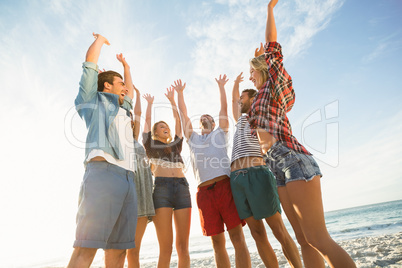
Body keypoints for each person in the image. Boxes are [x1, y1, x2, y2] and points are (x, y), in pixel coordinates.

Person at [247, 1, 356, 267]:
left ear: (262, 70)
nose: (249, 77)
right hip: (277, 167)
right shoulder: (259, 98)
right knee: (303, 239)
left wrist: (269, 10)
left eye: (251, 71)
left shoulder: (274, 86)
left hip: (292, 159)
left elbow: (273, 47)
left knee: (318, 237)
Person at [68, 33, 137, 268]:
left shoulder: (124, 109)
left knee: (119, 252)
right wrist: (100, 41)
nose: (125, 89)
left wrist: (125, 67)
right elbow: (90, 66)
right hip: (103, 173)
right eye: (120, 85)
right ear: (107, 85)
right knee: (86, 248)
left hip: (129, 179)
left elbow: (132, 93)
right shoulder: (92, 101)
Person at [175, 78, 251, 268]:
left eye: (208, 116)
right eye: (202, 117)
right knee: (217, 243)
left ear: (214, 121)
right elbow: (183, 115)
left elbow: (224, 108)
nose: (205, 118)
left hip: (225, 188)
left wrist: (221, 87)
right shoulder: (192, 139)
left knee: (237, 237)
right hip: (205, 194)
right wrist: (180, 94)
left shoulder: (220, 133)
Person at [230, 72, 302, 268]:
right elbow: (233, 100)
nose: (238, 102)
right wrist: (235, 83)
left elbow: (267, 90)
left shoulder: (261, 114)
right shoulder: (240, 120)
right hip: (236, 179)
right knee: (257, 234)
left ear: (253, 99)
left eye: (242, 98)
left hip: (257, 174)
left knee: (279, 230)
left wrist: (260, 70)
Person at [142, 87, 191, 268]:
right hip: (161, 190)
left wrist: (172, 100)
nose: (166, 127)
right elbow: (146, 121)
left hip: (182, 188)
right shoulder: (150, 145)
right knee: (166, 248)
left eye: (166, 126)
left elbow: (178, 120)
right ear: (155, 133)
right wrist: (149, 104)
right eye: (161, 126)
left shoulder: (176, 145)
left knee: (183, 248)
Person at [118, 57, 155, 268]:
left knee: (134, 250)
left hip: (143, 195)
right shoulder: (118, 139)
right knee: (122, 249)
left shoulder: (135, 140)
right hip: (127, 193)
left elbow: (137, 114)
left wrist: (139, 95)